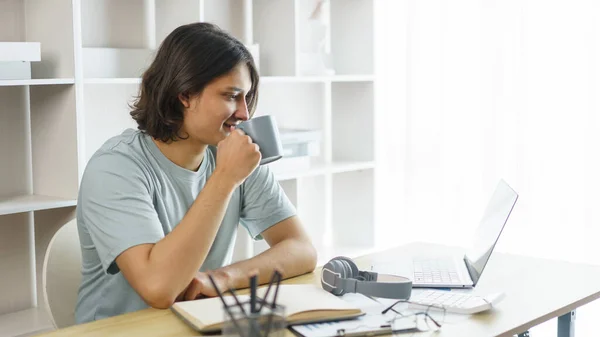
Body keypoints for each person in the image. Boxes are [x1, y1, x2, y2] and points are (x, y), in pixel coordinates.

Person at [74, 22, 317, 324]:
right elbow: (159, 289)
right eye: (231, 96)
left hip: (196, 324)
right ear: (184, 94)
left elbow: (301, 249)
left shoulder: (233, 152)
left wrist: (224, 277)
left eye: (247, 97)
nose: (244, 113)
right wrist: (225, 178)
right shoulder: (114, 168)